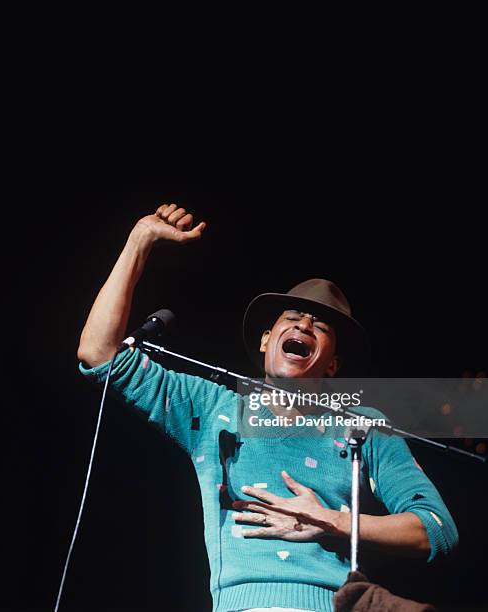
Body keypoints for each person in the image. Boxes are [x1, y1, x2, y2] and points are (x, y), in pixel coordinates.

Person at [77, 204, 458, 612]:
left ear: (332, 364)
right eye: (292, 317)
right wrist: (140, 240)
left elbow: (436, 530)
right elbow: (99, 353)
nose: (303, 326)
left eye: (321, 326)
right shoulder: (213, 407)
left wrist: (333, 521)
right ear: (265, 341)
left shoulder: (362, 426)